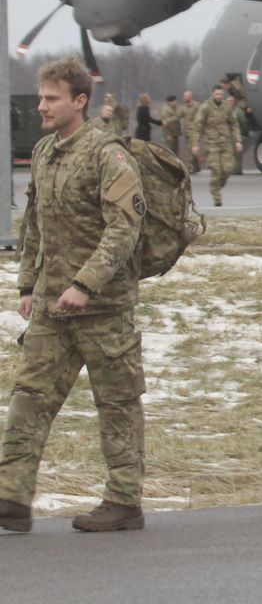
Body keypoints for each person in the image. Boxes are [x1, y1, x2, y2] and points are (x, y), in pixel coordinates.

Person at [0, 55, 147, 533]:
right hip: (50, 307)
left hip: (104, 310)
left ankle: (124, 503)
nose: (42, 106)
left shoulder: (109, 154)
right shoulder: (44, 152)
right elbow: (35, 226)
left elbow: (124, 228)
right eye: (41, 96)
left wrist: (85, 285)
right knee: (29, 397)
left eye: (52, 98)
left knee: (117, 404)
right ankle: (12, 498)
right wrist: (28, 283)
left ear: (80, 101)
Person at [192, 84, 242, 207]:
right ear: (213, 94)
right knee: (216, 170)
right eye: (217, 94)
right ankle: (216, 195)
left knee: (227, 169)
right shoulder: (205, 107)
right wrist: (195, 144)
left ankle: (216, 186)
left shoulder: (226, 107)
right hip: (212, 143)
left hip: (225, 142)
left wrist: (237, 140)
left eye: (221, 94)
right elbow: (197, 126)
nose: (219, 96)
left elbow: (234, 124)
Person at [180, 90, 202, 172]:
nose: (184, 98)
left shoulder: (197, 106)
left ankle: (187, 168)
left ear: (190, 96)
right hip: (187, 132)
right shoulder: (184, 107)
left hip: (194, 132)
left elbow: (201, 117)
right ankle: (197, 167)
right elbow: (178, 115)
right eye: (184, 96)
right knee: (191, 149)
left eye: (185, 96)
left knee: (189, 150)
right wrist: (167, 120)